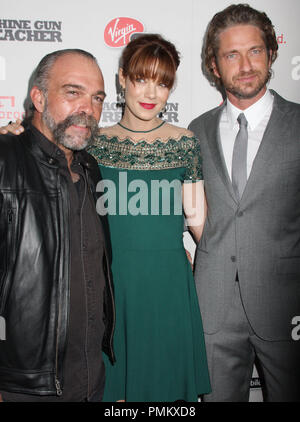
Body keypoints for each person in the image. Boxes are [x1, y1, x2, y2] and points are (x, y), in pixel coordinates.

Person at [1, 35, 211, 402]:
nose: (151, 91)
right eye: (142, 78)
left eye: (163, 82)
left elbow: (202, 227)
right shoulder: (90, 142)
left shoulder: (185, 143)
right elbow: (44, 143)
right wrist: (13, 135)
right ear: (122, 79)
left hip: (167, 292)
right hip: (110, 293)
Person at [188, 4, 300, 402]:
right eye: (231, 54)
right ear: (214, 66)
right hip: (213, 309)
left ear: (271, 53)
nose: (246, 64)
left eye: (254, 50)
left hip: (288, 306)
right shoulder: (194, 132)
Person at [0, 49, 115, 402]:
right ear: (37, 97)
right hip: (25, 386)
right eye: (72, 92)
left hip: (90, 380)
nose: (88, 109)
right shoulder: (5, 161)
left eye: (97, 98)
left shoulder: (92, 170)